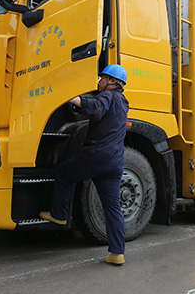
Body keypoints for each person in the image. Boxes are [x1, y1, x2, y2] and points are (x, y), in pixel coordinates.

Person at [40, 64, 129, 266]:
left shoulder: (108, 96)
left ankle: (59, 215)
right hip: (115, 161)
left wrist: (70, 95)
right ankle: (117, 253)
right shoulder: (123, 101)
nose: (99, 81)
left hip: (97, 157)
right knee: (113, 207)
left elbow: (95, 108)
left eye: (102, 78)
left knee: (64, 172)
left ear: (112, 81)